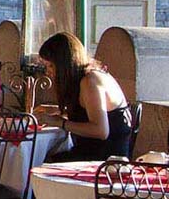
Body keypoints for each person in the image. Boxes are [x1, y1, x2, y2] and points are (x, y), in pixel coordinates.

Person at [36, 31, 132, 161]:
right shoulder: (85, 78)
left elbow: (101, 131)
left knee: (39, 162)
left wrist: (60, 122)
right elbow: (88, 111)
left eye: (51, 66)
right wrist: (57, 110)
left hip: (105, 160)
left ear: (64, 64)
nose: (48, 72)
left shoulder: (90, 81)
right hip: (91, 151)